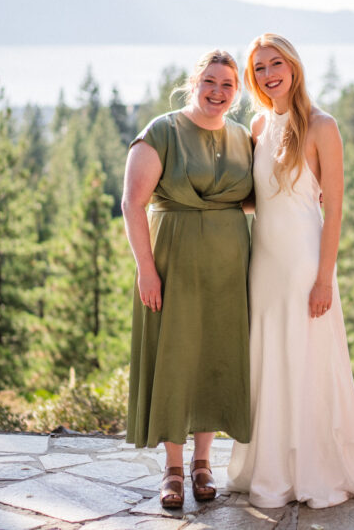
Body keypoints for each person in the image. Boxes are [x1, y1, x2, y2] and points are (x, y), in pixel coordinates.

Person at [227, 33, 354, 508]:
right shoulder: (256, 125)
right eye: (259, 69)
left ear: (293, 67)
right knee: (270, 361)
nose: (269, 74)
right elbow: (260, 199)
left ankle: (314, 472)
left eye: (276, 64)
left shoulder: (321, 126)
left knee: (309, 362)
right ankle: (270, 470)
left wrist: (323, 279)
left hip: (305, 265)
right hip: (265, 265)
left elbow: (333, 209)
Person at [121, 49, 253, 509]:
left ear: (236, 94)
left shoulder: (241, 137)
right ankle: (173, 468)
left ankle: (203, 462)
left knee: (215, 358)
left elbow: (252, 199)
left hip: (228, 270)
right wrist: (146, 270)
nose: (218, 92)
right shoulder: (162, 131)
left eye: (228, 86)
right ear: (195, 82)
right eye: (210, 82)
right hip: (173, 264)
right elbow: (132, 203)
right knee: (177, 357)